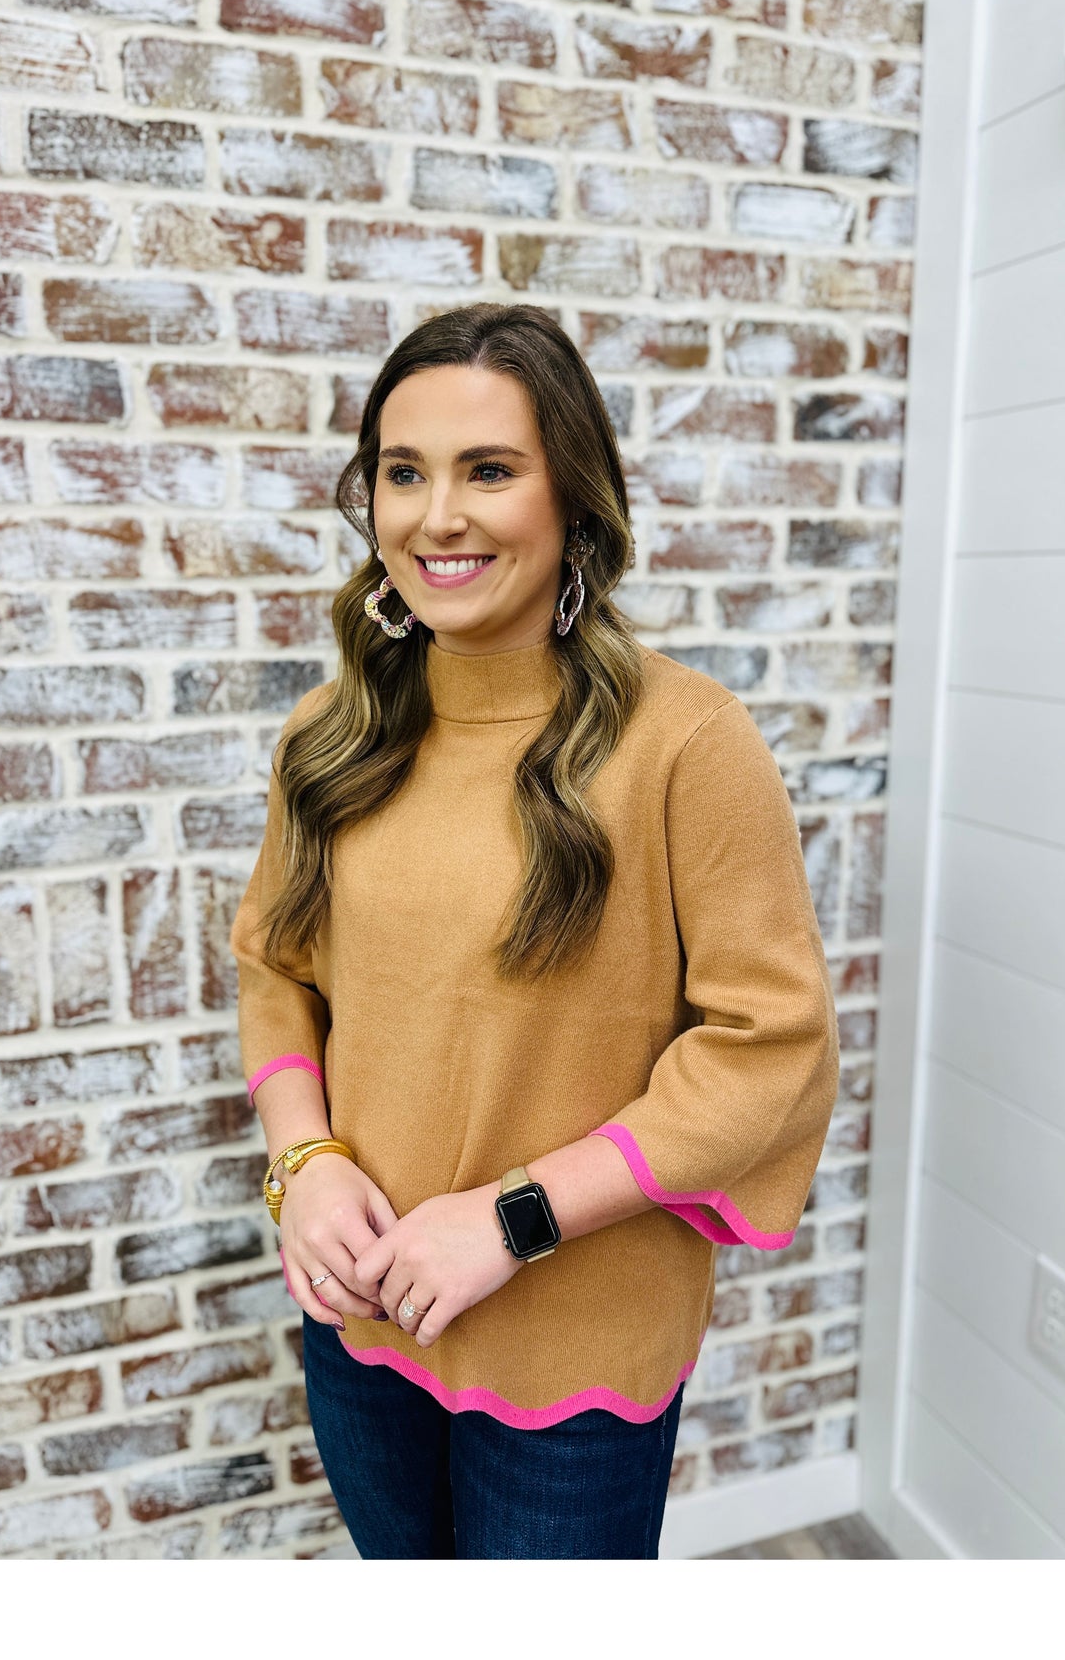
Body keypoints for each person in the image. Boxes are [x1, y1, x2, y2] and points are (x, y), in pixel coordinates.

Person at [229, 301, 840, 1560]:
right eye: (404, 472)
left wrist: (511, 1220)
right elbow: (274, 968)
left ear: (574, 497)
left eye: (490, 470)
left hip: (577, 1363)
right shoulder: (329, 737)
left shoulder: (687, 744)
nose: (436, 516)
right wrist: (306, 1163)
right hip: (363, 1317)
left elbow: (769, 1047)